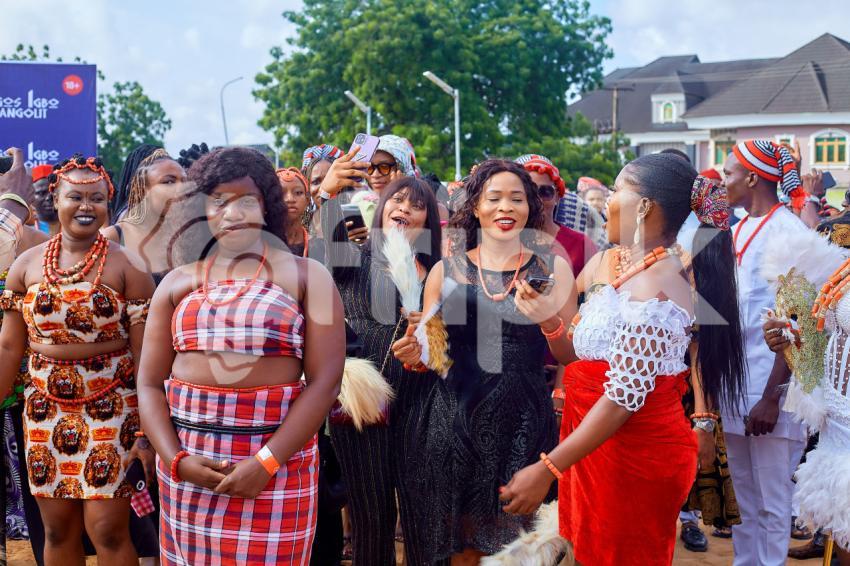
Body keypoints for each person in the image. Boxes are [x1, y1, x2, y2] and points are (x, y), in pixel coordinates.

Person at [495, 153, 745, 565]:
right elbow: (575, 355)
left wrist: (547, 469)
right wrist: (547, 320)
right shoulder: (622, 266)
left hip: (633, 455)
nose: (607, 200)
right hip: (592, 446)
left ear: (644, 206)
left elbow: (623, 398)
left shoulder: (660, 282)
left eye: (616, 191)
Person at [136, 146, 345, 565]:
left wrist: (266, 463)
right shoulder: (177, 282)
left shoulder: (307, 276)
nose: (233, 213)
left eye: (246, 200)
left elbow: (325, 382)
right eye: (219, 201)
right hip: (191, 475)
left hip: (279, 471)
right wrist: (177, 461)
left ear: (267, 204)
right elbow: (147, 384)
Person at [393, 159, 576, 563]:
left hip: (523, 428)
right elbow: (434, 354)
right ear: (475, 206)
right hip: (454, 426)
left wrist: (547, 319)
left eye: (516, 198)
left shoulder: (552, 268)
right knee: (461, 550)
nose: (505, 208)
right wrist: (416, 354)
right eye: (494, 198)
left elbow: (571, 355)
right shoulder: (446, 271)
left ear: (531, 206)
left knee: (519, 550)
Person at [0, 154, 154, 565]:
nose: (86, 206)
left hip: (113, 406)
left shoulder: (130, 266)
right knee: (56, 528)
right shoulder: (26, 265)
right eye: (76, 196)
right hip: (45, 409)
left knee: (106, 528)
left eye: (97, 198)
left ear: (108, 202)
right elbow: (10, 348)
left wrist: (146, 429)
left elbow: (146, 355)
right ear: (56, 197)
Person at [319, 149, 443, 565]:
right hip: (363, 403)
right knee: (371, 517)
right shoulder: (354, 256)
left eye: (417, 205)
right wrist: (329, 193)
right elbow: (330, 234)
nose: (404, 208)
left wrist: (428, 350)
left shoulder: (443, 272)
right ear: (382, 208)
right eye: (397, 200)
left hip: (425, 407)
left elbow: (451, 351)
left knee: (424, 515)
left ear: (429, 222)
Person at [720, 139, 809, 565]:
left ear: (753, 178)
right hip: (735, 387)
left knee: (774, 503)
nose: (723, 180)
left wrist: (773, 396)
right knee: (743, 501)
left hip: (772, 393)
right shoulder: (735, 230)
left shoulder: (790, 232)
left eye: (729, 173)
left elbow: (800, 326)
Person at [103, 147, 188, 285]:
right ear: (143, 191)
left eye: (185, 182)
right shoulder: (111, 238)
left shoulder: (187, 239)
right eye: (169, 182)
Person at [515, 154, 596, 276]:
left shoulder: (581, 245)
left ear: (557, 196)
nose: (537, 200)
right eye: (529, 192)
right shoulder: (502, 241)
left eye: (545, 192)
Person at [277, 166, 325, 262]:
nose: (290, 199)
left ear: (307, 200)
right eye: (281, 193)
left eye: (298, 193)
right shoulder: (263, 245)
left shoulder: (319, 246)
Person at [31, 165, 59, 235]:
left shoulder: (74, 227)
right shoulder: (23, 231)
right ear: (31, 196)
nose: (48, 198)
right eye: (41, 193)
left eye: (53, 192)